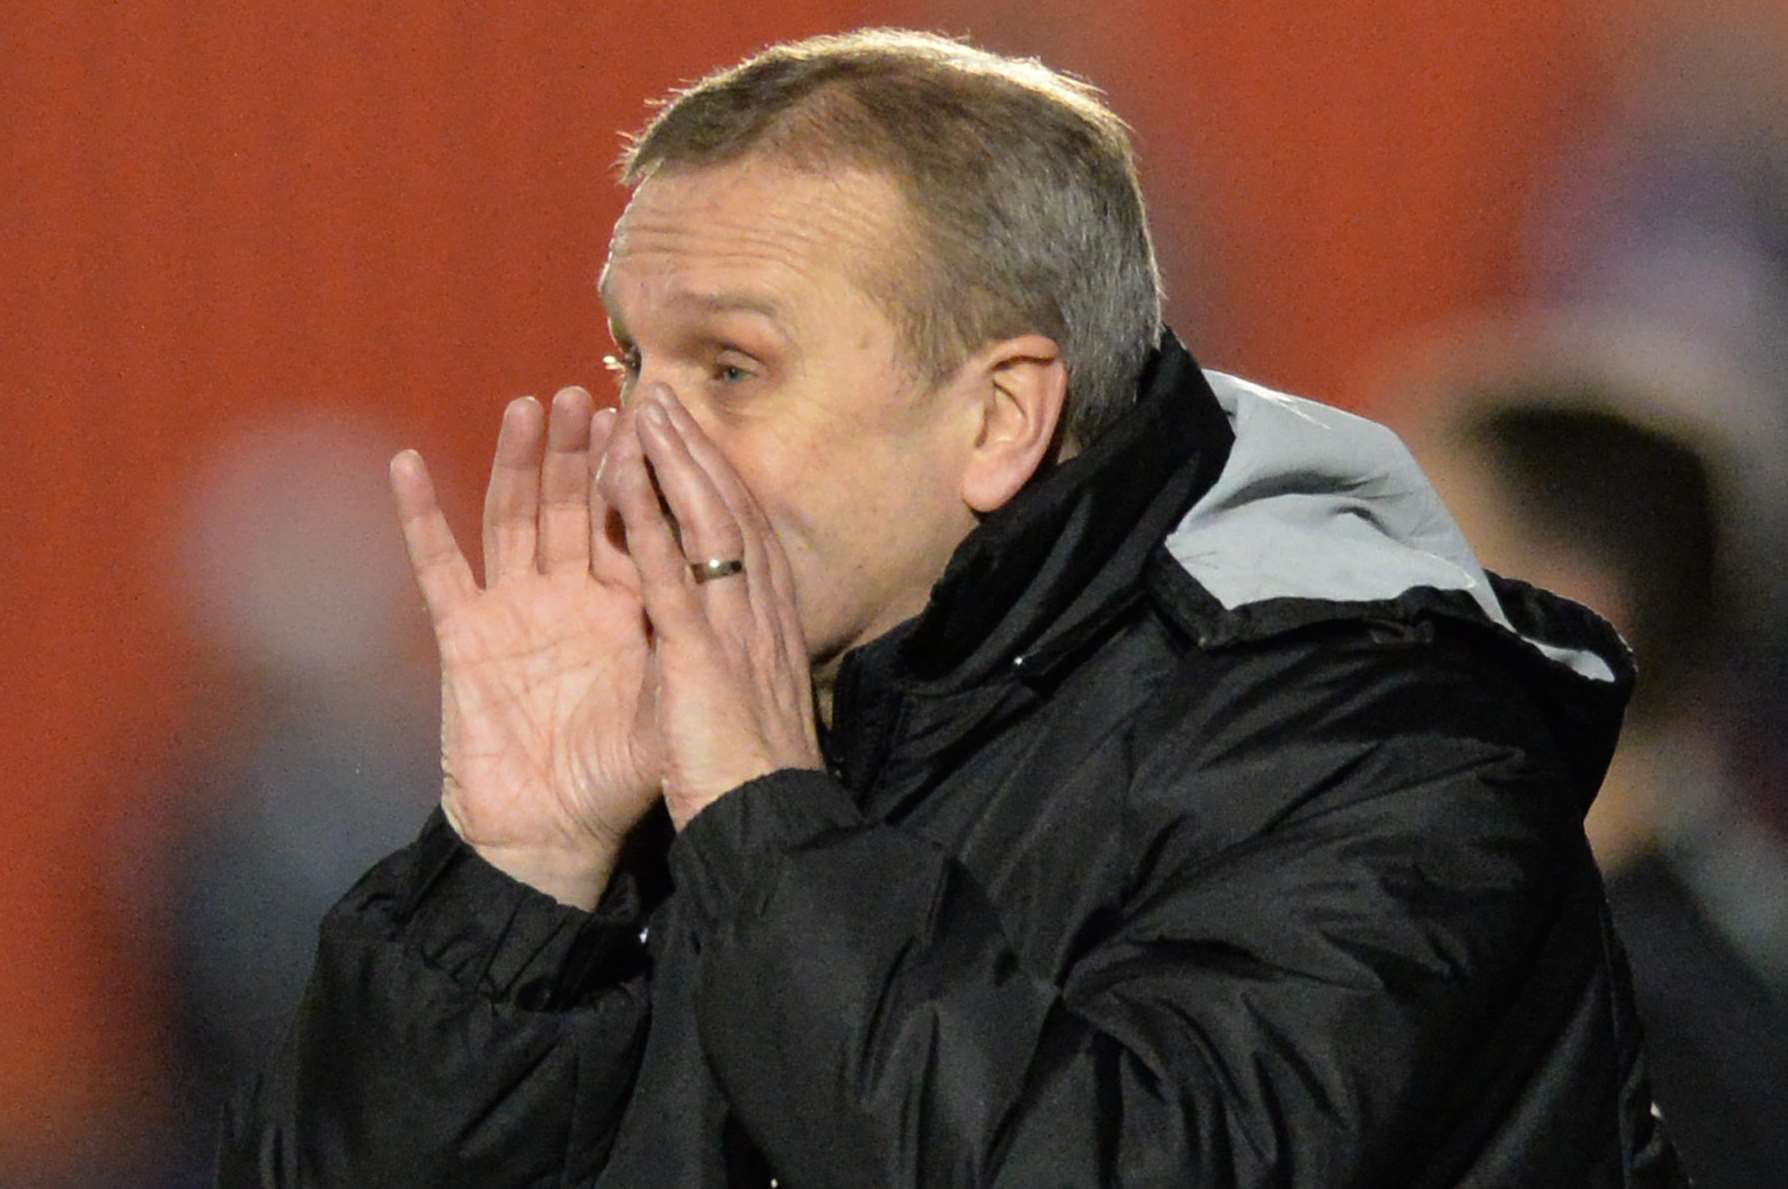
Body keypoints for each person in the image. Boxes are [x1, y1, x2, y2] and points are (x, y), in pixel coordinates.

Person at [219, 30, 1682, 1187]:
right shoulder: (703, 733)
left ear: (999, 418)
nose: (639, 448)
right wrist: (517, 889)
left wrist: (767, 819)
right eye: (628, 367)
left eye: (729, 369)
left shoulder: (1382, 740)